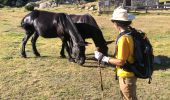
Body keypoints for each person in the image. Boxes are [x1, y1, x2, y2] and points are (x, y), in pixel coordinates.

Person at [94, 6, 138, 100]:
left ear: (116, 23)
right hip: (129, 74)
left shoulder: (123, 39)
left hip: (126, 76)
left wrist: (103, 58)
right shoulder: (129, 33)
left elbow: (121, 62)